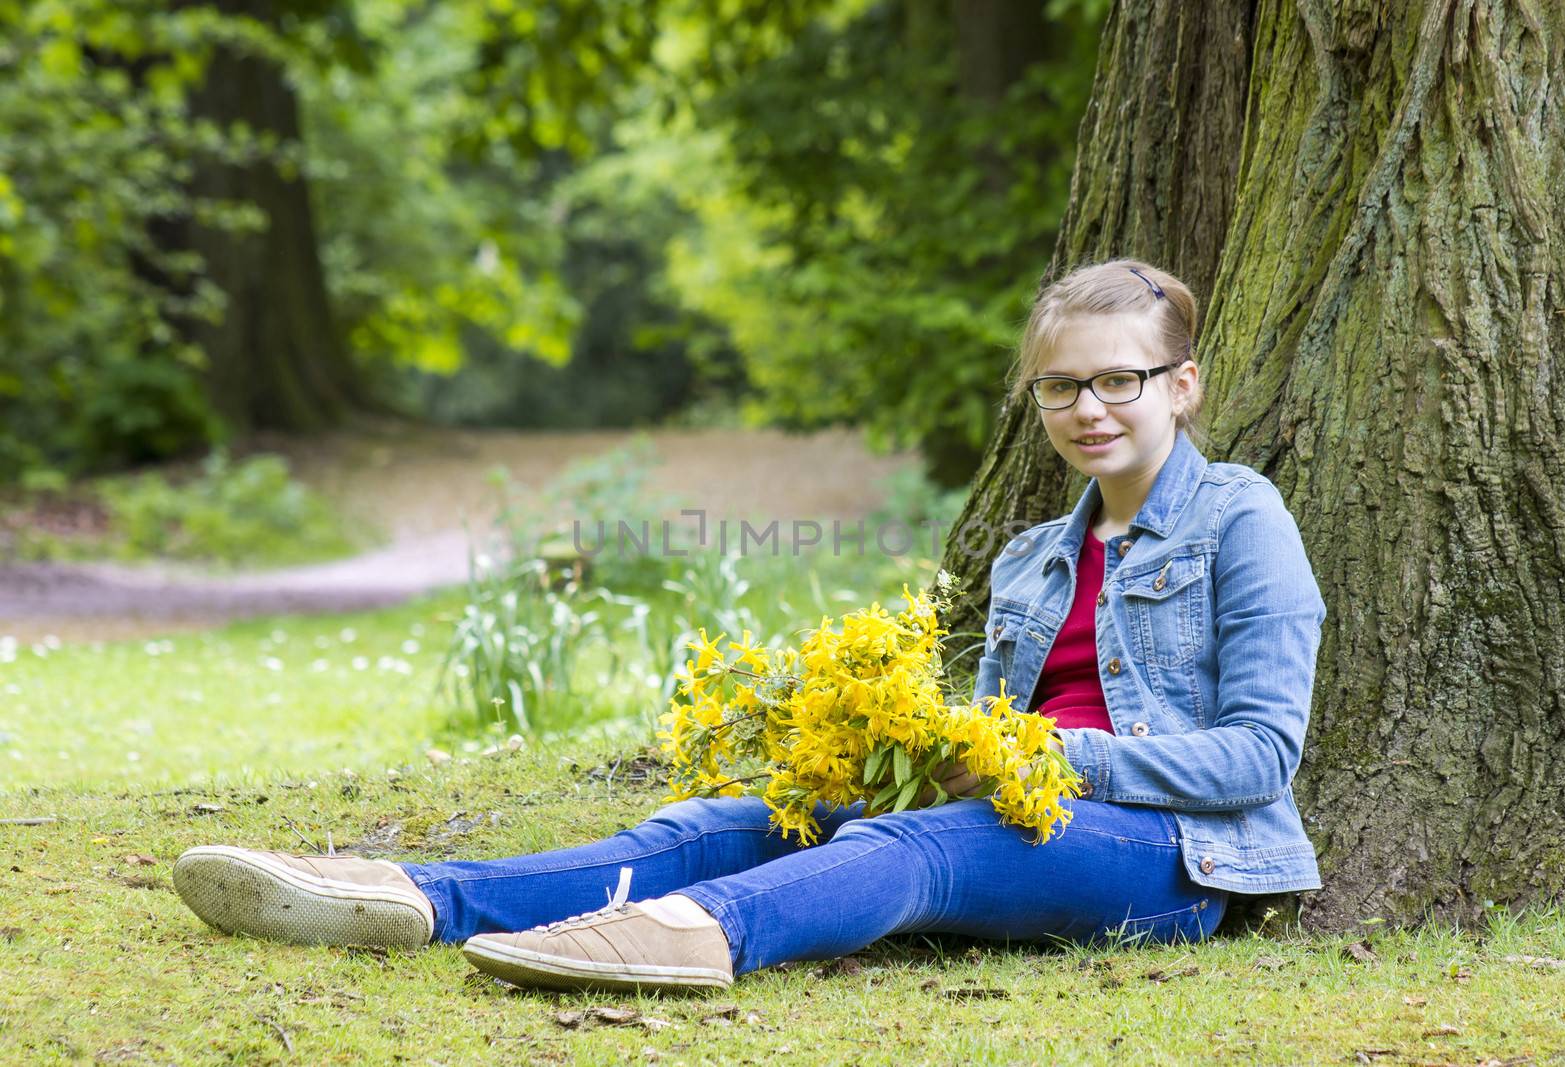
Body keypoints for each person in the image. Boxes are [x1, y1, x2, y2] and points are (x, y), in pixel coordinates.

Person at [172, 257, 1327, 994]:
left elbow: (1261, 755)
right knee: (735, 815)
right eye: (1060, 386)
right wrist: (906, 735)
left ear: (1181, 384)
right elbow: (982, 723)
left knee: (903, 848)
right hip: (1012, 807)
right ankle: (413, 899)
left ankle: (683, 938)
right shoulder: (1034, 554)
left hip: (1175, 854)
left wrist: (1046, 755)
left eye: (1118, 381)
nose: (1087, 408)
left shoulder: (1240, 519)